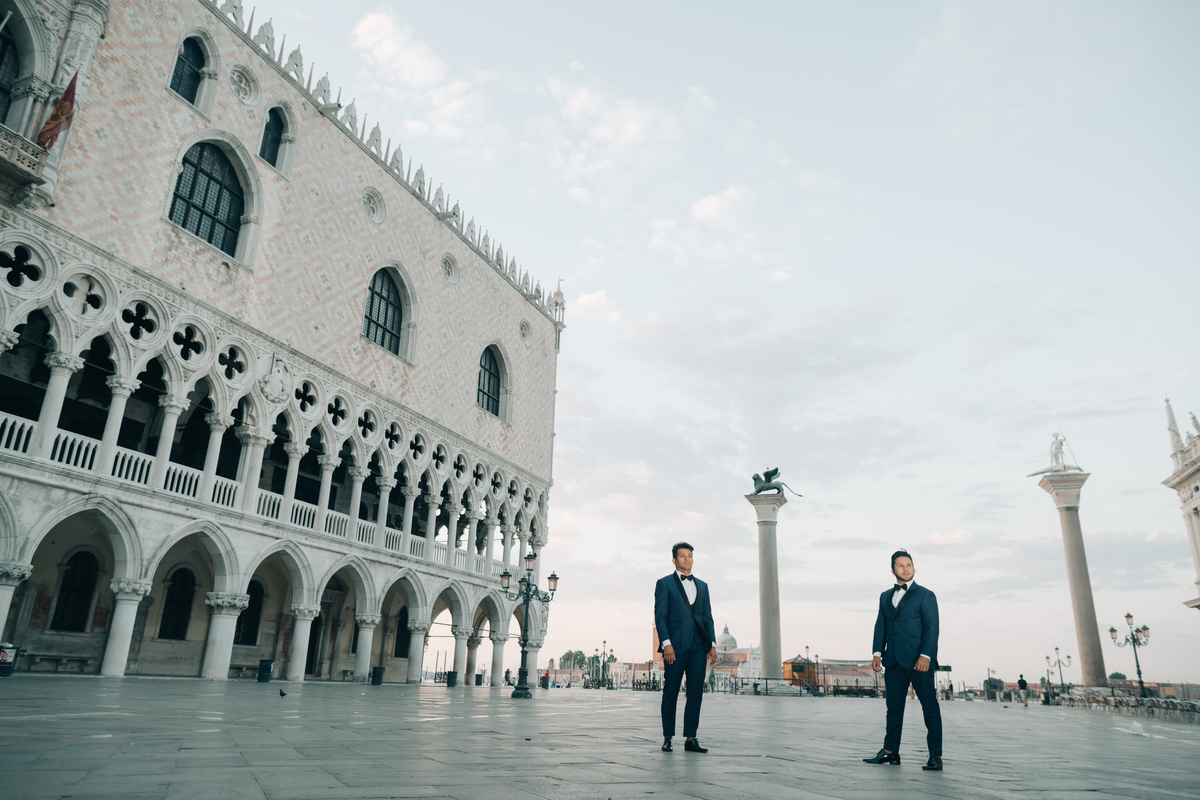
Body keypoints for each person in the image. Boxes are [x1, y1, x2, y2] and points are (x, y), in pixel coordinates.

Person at [863, 549, 943, 771]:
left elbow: (932, 627)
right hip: (894, 662)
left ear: (914, 569)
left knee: (930, 708)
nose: (905, 569)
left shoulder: (926, 595)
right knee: (893, 708)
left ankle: (935, 755)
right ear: (893, 570)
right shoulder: (884, 596)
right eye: (901, 565)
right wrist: (877, 653)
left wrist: (926, 655)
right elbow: (881, 625)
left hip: (920, 662)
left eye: (909, 565)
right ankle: (890, 752)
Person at [654, 541, 717, 754]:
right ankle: (667, 737)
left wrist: (712, 645)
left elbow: (708, 617)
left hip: (698, 646)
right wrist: (666, 644)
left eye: (689, 555)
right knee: (670, 692)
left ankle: (691, 738)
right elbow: (660, 616)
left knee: (696, 692)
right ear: (674, 560)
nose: (686, 559)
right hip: (675, 647)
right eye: (682, 556)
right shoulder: (664, 584)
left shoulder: (703, 585)